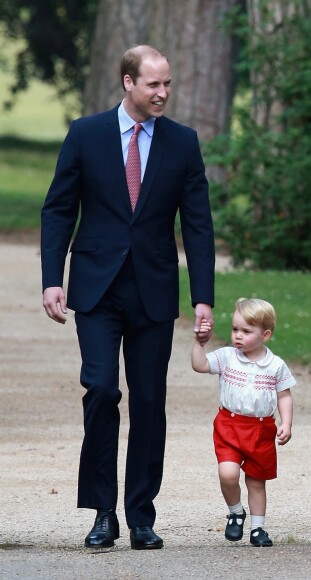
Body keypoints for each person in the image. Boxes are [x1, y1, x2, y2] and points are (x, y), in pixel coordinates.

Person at [41, 45, 215, 550]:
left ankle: (140, 514)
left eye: (167, 85)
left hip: (153, 291)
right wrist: (53, 278)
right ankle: (101, 512)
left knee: (150, 400)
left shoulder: (183, 143)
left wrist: (202, 295)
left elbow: (198, 225)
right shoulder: (86, 134)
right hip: (96, 287)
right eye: (152, 84)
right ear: (127, 83)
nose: (162, 93)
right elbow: (58, 210)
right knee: (100, 390)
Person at [191, 298, 294, 547]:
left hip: (261, 428)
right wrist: (199, 343)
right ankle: (236, 512)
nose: (238, 336)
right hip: (229, 425)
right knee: (228, 473)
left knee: (256, 481)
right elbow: (200, 365)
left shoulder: (275, 366)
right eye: (235, 329)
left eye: (246, 332)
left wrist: (286, 423)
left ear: (265, 335)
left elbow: (284, 395)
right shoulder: (228, 357)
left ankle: (258, 529)